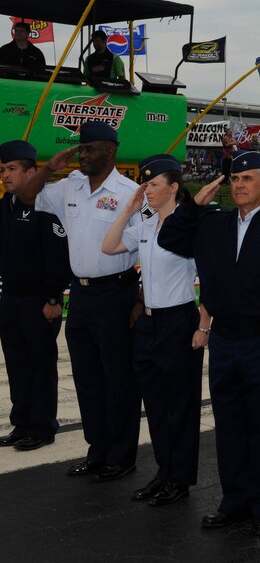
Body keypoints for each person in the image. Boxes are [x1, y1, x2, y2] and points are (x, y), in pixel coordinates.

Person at [157, 151, 260, 537]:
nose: (239, 185)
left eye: (247, 178)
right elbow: (170, 237)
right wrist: (194, 206)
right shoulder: (212, 224)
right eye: (234, 178)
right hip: (225, 339)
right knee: (229, 425)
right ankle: (234, 502)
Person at [17, 121, 142, 481]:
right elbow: (27, 196)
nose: (83, 155)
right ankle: (98, 449)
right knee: (87, 378)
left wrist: (138, 299)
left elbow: (150, 246)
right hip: (82, 296)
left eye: (90, 149)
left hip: (117, 293)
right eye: (81, 149)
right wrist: (49, 167)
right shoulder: (69, 185)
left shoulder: (129, 191)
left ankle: (122, 455)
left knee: (118, 378)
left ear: (111, 151)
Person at [101, 154, 203, 506]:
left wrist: (204, 325)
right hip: (147, 323)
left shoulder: (187, 227)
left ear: (174, 187)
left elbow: (211, 277)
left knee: (180, 405)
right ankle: (164, 473)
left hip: (178, 320)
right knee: (156, 405)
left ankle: (181, 479)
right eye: (144, 185)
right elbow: (109, 245)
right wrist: (128, 209)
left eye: (154, 185)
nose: (147, 191)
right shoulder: (144, 224)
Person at [0, 140, 70, 451]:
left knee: (40, 364)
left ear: (31, 171)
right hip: (11, 298)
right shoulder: (6, 205)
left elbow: (58, 256)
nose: (5, 175)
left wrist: (54, 299)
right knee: (17, 364)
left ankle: (42, 427)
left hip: (40, 300)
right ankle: (22, 423)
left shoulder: (45, 206)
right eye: (3, 170)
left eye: (12, 169)